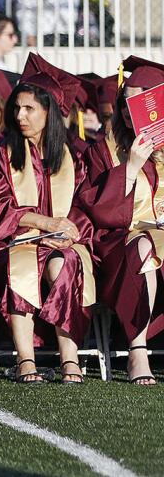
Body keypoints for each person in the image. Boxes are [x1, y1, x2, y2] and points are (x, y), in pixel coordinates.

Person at [0, 65, 95, 385]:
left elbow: (82, 205)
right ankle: (25, 360)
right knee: (25, 262)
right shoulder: (2, 154)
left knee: (67, 261)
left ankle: (69, 361)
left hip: (61, 243)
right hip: (14, 242)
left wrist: (64, 232)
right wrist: (44, 224)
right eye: (17, 108)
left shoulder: (74, 153)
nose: (20, 115)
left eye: (29, 108)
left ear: (49, 112)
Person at [83, 55, 164, 385]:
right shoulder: (106, 148)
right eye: (125, 104)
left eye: (139, 105)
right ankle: (137, 350)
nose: (131, 114)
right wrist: (130, 166)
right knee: (144, 248)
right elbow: (101, 212)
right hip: (124, 240)